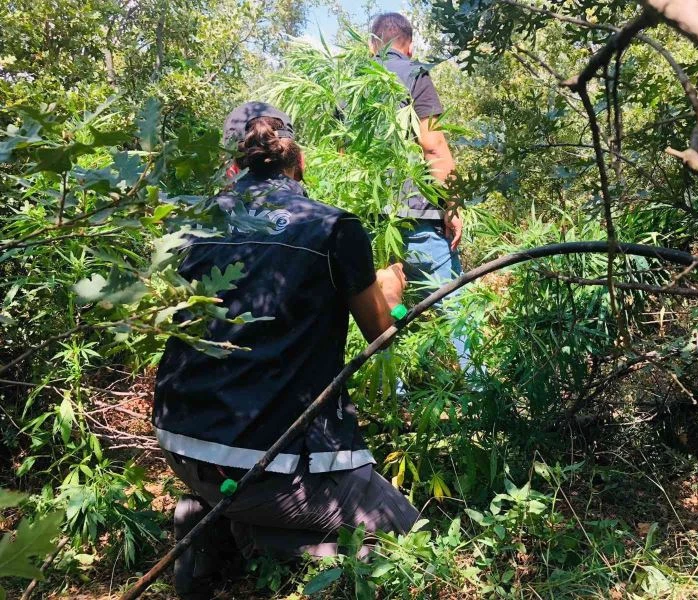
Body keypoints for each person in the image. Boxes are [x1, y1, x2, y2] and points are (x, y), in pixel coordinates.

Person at [152, 102, 419, 599]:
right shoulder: (333, 228)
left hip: (178, 443)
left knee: (241, 485)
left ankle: (206, 515)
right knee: (409, 542)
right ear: (299, 160)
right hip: (267, 467)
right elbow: (382, 333)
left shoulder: (190, 224)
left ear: (232, 166)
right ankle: (247, 533)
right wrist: (392, 291)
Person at [370, 12, 474, 375]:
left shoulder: (347, 84)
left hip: (370, 219)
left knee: (383, 307)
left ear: (372, 44)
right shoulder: (414, 74)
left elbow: (338, 156)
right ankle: (484, 398)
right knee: (452, 303)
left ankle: (392, 398)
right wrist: (452, 205)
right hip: (418, 215)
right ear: (409, 45)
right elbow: (433, 148)